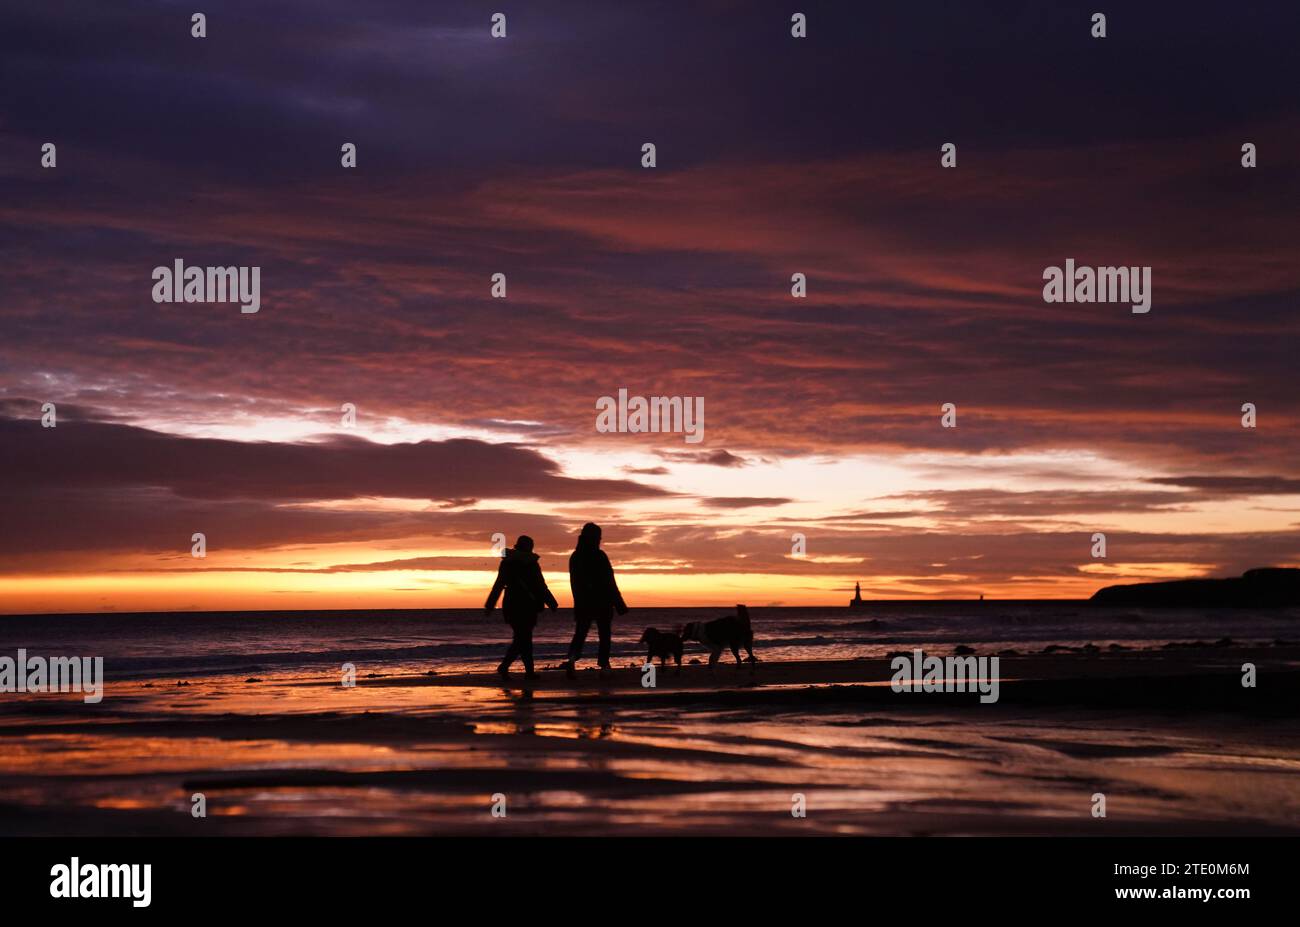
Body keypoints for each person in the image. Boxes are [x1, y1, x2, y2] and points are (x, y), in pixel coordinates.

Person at [484, 535, 558, 679]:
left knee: (522, 638)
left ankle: (524, 671)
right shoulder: (531, 563)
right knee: (523, 639)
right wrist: (552, 602)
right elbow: (540, 586)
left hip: (511, 605)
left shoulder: (507, 563)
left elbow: (498, 585)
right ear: (529, 547)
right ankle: (509, 667)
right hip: (528, 606)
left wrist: (490, 605)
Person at [562, 522, 628, 678]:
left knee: (580, 633)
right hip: (602, 601)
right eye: (598, 537)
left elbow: (575, 583)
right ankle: (604, 665)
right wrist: (618, 603)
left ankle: (572, 659)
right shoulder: (600, 556)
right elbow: (610, 581)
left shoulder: (575, 556)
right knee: (604, 634)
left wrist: (579, 599)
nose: (599, 540)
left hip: (583, 602)